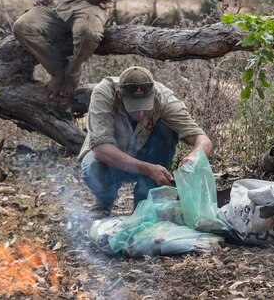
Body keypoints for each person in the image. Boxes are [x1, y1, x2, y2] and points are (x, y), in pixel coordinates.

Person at [79, 66, 212, 217]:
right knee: (93, 166)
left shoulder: (164, 98)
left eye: (144, 106)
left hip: (145, 156)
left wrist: (193, 158)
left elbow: (203, 140)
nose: (140, 113)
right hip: (111, 162)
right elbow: (100, 149)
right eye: (134, 107)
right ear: (119, 96)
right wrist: (148, 168)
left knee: (166, 130)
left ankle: (144, 205)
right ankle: (103, 204)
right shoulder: (103, 93)